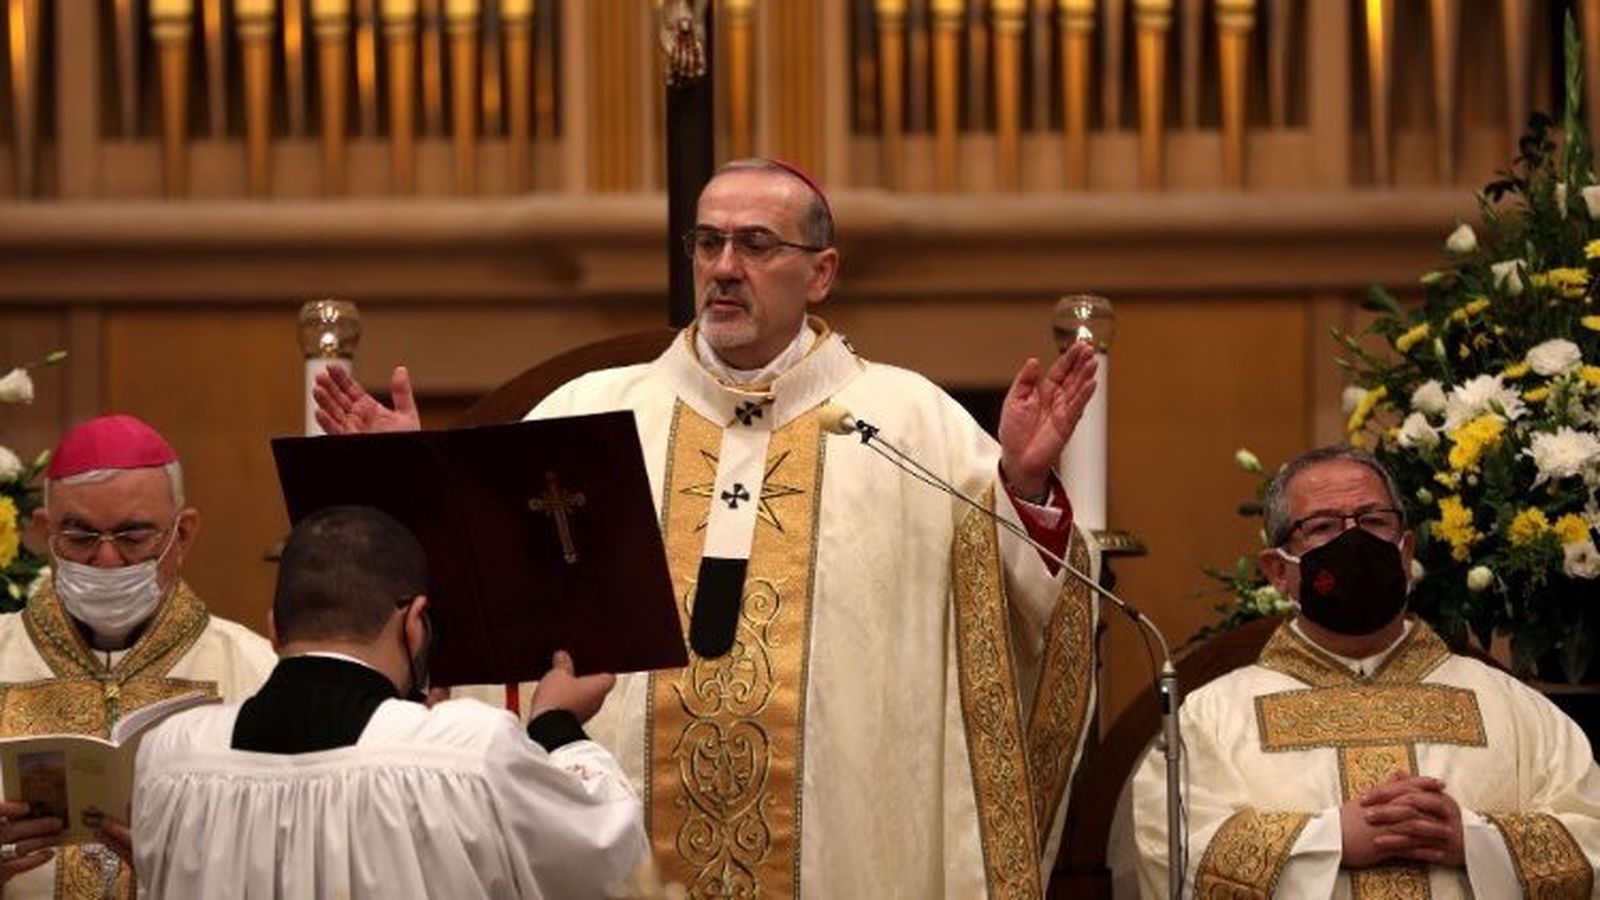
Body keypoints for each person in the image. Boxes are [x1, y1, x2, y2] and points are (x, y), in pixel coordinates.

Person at [313, 157, 1101, 898]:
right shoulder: (589, 416)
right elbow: (484, 613)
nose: (724, 266)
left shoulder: (908, 423)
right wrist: (416, 492)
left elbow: (1022, 615)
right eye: (709, 241)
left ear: (821, 273)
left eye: (756, 244)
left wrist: (1023, 486)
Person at [1120, 446, 1600, 898]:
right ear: (1277, 570)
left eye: (1373, 521)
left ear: (1406, 550)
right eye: (1324, 527)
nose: (1354, 540)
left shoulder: (1513, 708)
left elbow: (1592, 839)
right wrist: (1329, 841)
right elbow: (1170, 850)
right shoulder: (1213, 719)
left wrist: (1474, 841)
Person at [133, 505, 648, 899]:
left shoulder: (171, 755)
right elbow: (613, 866)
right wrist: (557, 726)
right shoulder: (466, 751)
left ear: (274, 628)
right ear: (414, 621)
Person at [0, 413, 276, 899]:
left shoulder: (258, 673)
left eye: (133, 536)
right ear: (44, 533)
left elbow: (295, 865)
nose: (107, 561)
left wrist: (192, 866)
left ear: (183, 534)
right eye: (80, 536)